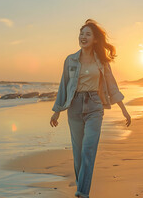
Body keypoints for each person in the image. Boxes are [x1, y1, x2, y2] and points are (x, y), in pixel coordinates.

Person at [50, 19, 131, 198]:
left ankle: (82, 193)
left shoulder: (102, 61)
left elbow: (112, 86)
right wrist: (57, 111)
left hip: (95, 106)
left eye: (88, 34)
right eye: (81, 33)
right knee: (78, 154)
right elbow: (63, 86)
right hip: (75, 106)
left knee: (88, 149)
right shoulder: (70, 60)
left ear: (95, 39)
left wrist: (123, 109)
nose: (83, 37)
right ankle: (82, 189)